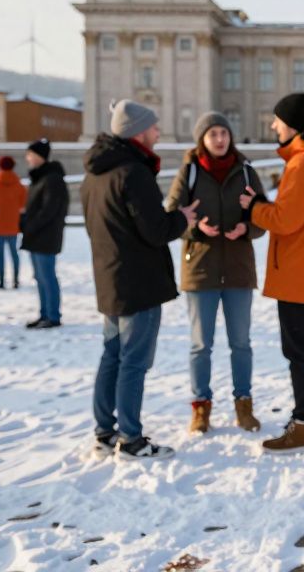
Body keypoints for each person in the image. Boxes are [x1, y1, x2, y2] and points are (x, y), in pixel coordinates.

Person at [82, 99, 199, 460]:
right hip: (139, 281)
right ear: (137, 131)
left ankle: (105, 431)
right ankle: (130, 438)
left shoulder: (96, 173)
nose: (158, 132)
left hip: (110, 278)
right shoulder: (134, 172)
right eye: (153, 127)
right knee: (134, 360)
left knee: (112, 355)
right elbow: (155, 229)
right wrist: (183, 218)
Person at [240, 92, 304, 451]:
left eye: (277, 120)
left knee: (299, 351)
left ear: (293, 124)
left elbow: (285, 220)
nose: (273, 125)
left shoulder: (303, 163)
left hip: (298, 272)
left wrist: (254, 206)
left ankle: (303, 424)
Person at [167, 112, 265, 435]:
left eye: (224, 132)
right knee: (200, 344)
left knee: (241, 343)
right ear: (202, 140)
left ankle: (243, 405)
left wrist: (246, 228)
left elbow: (263, 217)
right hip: (201, 269)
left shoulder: (248, 172)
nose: (219, 139)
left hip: (238, 269)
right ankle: (200, 407)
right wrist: (195, 227)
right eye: (213, 134)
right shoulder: (190, 172)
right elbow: (170, 215)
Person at [21, 138, 68, 329]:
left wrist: (30, 225)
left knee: (47, 276)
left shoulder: (52, 179)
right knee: (40, 277)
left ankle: (53, 315)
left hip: (45, 236)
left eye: (30, 155)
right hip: (36, 235)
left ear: (40, 157)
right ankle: (44, 314)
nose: (28, 159)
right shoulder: (40, 177)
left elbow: (49, 210)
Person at [0, 156, 27, 289]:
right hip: (13, 225)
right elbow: (23, 204)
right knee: (14, 253)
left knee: (0, 255)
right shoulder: (19, 185)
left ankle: (1, 281)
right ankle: (15, 280)